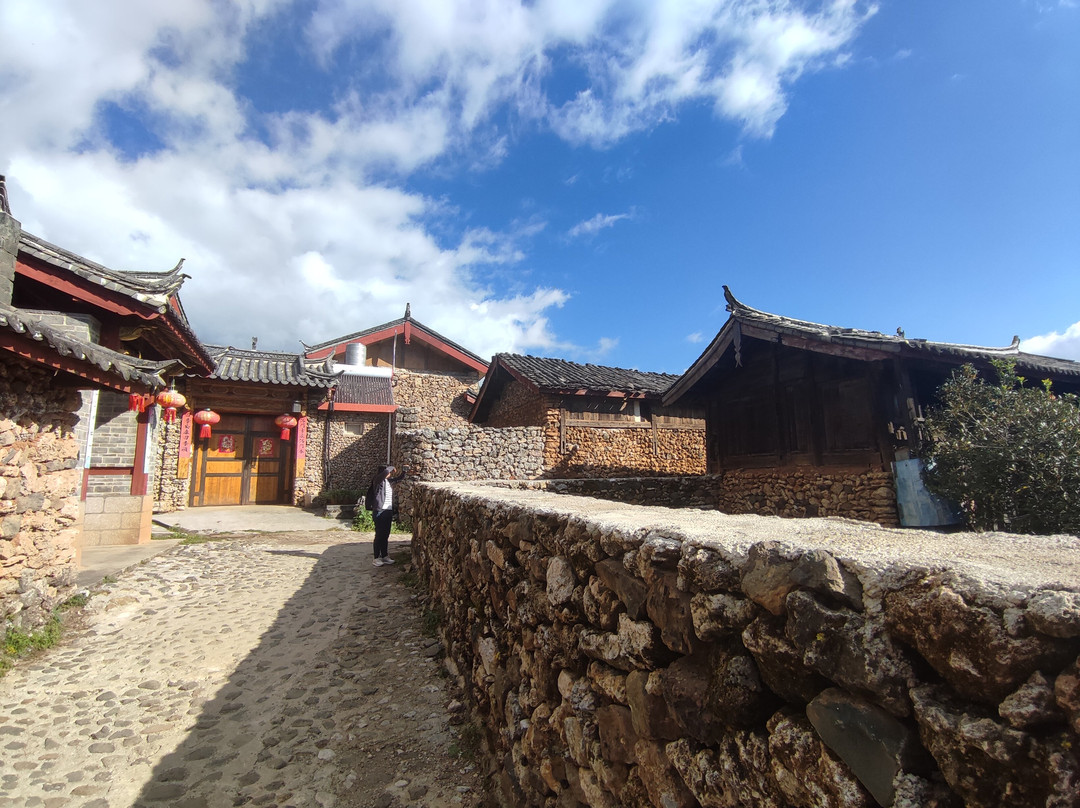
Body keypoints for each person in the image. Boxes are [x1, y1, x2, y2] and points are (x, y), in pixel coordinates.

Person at [369, 464, 406, 567]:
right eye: (388, 472)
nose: (390, 474)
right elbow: (385, 473)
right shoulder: (377, 480)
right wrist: (391, 467)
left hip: (387, 511)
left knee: (385, 535)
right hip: (379, 510)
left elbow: (399, 478)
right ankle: (376, 557)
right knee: (379, 535)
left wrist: (404, 471)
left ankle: (384, 556)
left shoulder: (387, 481)